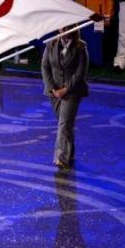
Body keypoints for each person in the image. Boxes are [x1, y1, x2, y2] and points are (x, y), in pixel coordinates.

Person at [41, 27, 89, 169]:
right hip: (54, 92)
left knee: (63, 124)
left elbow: (80, 73)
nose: (64, 31)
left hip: (72, 92)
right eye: (62, 29)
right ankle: (70, 153)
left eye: (67, 29)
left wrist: (65, 89)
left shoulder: (81, 47)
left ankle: (61, 158)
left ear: (73, 29)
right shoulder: (51, 44)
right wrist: (52, 88)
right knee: (65, 124)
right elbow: (45, 66)